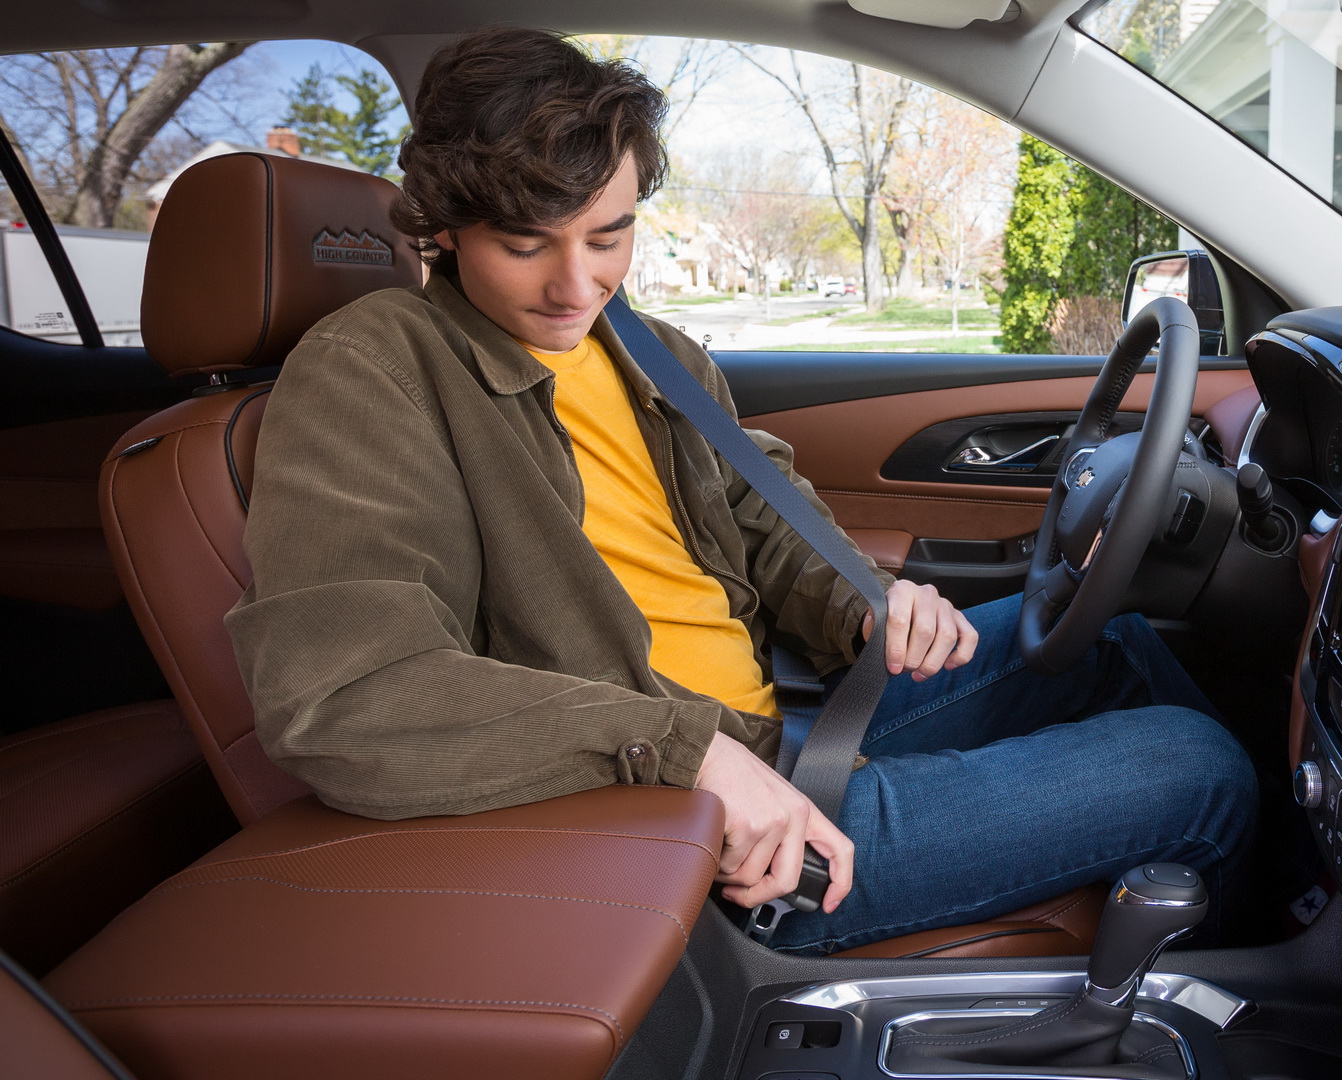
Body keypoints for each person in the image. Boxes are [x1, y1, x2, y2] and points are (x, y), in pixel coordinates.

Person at [226, 26, 1256, 955]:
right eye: (525, 244)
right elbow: (345, 696)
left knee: (1114, 638)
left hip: (772, 730)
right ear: (446, 227)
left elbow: (763, 519)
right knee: (1198, 767)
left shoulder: (648, 348)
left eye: (608, 236)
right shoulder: (373, 371)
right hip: (675, 826)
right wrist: (693, 757)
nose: (577, 287)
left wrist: (866, 604)